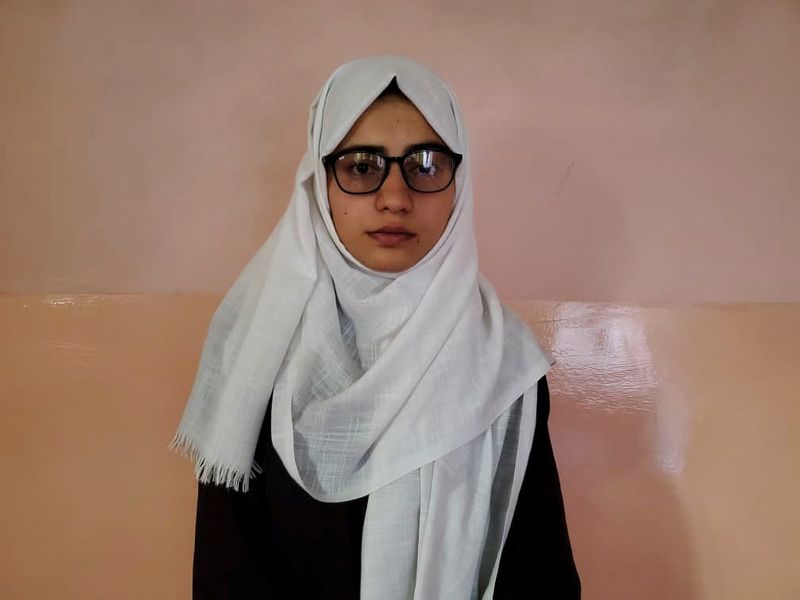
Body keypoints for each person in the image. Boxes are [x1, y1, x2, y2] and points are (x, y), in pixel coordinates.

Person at [170, 55, 580, 599]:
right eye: (361, 166)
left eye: (426, 164)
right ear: (321, 182)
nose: (395, 198)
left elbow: (539, 575)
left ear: (458, 183)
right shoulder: (256, 351)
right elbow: (226, 573)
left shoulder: (502, 365)